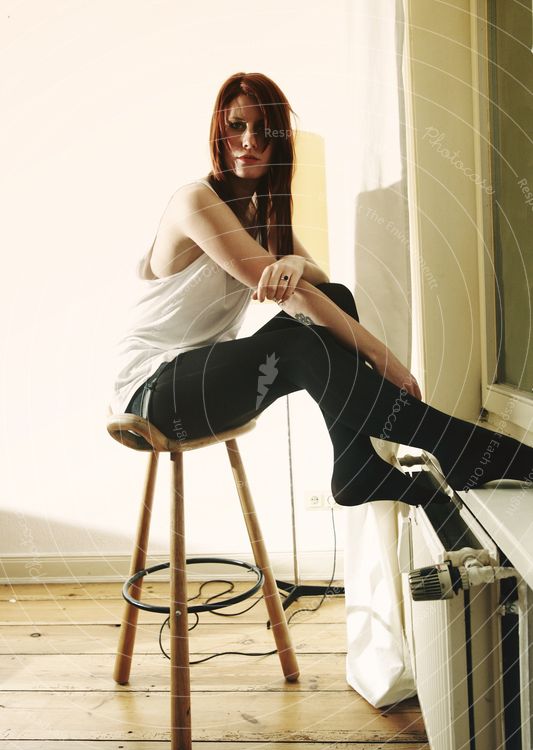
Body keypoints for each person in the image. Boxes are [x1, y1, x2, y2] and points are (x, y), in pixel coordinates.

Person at [110, 71, 533, 507]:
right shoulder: (196, 201)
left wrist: (293, 261)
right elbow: (292, 295)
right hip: (155, 392)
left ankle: (358, 466)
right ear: (219, 134)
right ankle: (469, 448)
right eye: (236, 126)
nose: (249, 141)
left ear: (280, 142)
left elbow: (320, 285)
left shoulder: (259, 212)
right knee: (300, 347)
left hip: (202, 380)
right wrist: (382, 358)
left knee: (337, 301)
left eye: (261, 129)